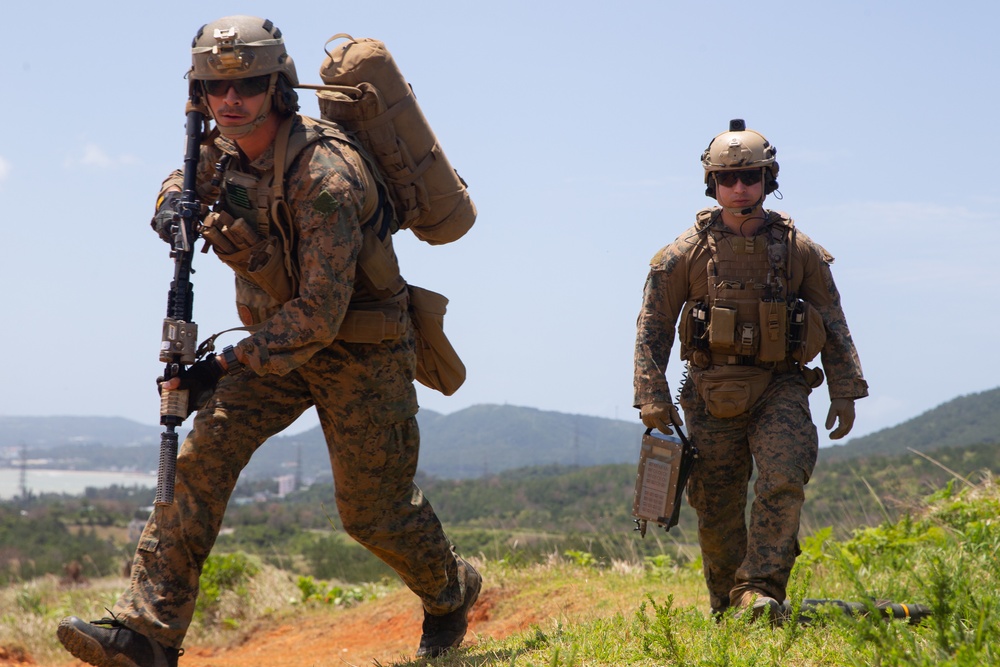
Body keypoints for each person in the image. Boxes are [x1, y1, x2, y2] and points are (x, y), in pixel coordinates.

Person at [57, 15, 480, 666]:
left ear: (278, 85)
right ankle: (147, 634)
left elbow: (318, 314)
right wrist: (171, 207)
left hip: (357, 347)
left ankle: (451, 592)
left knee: (372, 510)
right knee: (200, 462)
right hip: (271, 344)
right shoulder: (220, 149)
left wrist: (217, 367)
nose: (232, 100)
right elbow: (182, 179)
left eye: (249, 84)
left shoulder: (325, 175)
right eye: (216, 87)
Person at [633, 119, 868, 621]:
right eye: (727, 179)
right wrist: (652, 397)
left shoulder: (799, 250)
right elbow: (652, 326)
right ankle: (729, 605)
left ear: (769, 179)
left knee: (784, 477)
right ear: (711, 183)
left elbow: (832, 319)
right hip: (709, 393)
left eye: (751, 178)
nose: (739, 188)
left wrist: (845, 390)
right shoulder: (683, 254)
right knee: (715, 504)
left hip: (779, 385)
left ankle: (761, 588)